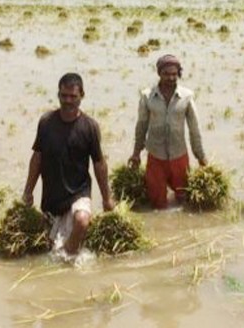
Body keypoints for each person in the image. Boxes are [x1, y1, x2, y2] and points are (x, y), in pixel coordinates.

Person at [22, 73, 114, 256]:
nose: (68, 101)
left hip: (79, 192)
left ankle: (68, 259)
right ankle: (68, 254)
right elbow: (37, 158)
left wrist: (107, 198)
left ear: (82, 96)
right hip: (52, 197)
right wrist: (28, 192)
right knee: (50, 245)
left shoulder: (89, 127)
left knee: (81, 220)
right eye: (64, 96)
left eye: (73, 96)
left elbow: (99, 164)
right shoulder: (46, 122)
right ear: (58, 95)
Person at [128, 54, 207, 209]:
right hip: (156, 157)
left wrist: (201, 157)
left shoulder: (186, 97)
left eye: (174, 74)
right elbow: (141, 126)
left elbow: (194, 129)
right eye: (166, 74)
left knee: (183, 200)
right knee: (157, 203)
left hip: (179, 156)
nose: (171, 78)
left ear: (179, 74)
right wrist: (136, 153)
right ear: (159, 73)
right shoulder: (147, 97)